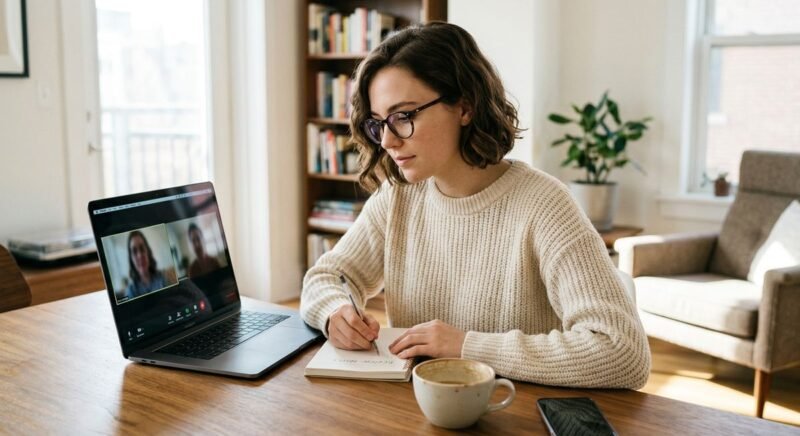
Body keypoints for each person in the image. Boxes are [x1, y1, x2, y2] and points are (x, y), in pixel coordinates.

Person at [300, 22, 651, 389]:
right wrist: (334, 312)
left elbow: (621, 351)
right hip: (418, 411)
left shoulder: (545, 205)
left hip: (515, 413)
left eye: (404, 116)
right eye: (378, 123)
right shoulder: (398, 196)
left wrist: (466, 345)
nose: (387, 140)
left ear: (464, 107)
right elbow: (326, 278)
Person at [125, 230, 170, 300]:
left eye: (142, 248)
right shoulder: (131, 291)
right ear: (131, 260)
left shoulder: (162, 278)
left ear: (148, 252)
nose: (139, 255)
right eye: (134, 251)